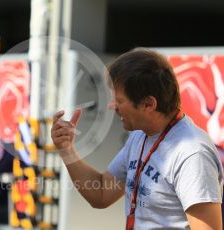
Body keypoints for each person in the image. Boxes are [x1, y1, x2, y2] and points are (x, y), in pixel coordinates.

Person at [51, 48, 223, 229]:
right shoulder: (139, 136)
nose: (112, 106)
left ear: (148, 104)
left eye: (119, 100)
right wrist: (66, 149)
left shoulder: (192, 154)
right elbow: (101, 193)